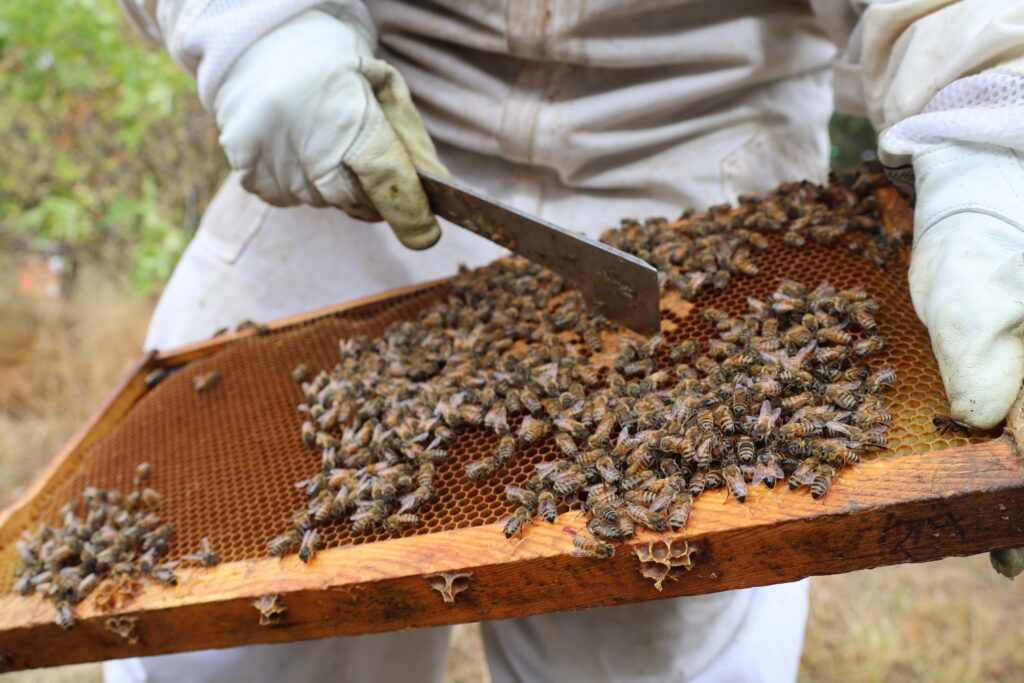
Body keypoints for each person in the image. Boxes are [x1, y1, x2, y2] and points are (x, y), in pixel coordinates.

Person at [108, 1, 1024, 681]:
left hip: (705, 200)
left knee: (655, 639)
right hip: (354, 157)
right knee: (222, 637)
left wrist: (996, 105)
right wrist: (254, 24)